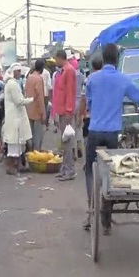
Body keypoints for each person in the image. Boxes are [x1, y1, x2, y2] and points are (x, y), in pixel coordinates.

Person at [84, 43, 139, 234]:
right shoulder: (123, 79)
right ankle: (106, 218)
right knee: (110, 173)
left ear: (103, 59)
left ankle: (91, 210)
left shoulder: (92, 79)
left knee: (90, 171)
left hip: (95, 131)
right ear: (117, 60)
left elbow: (88, 102)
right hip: (112, 133)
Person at [2, 63, 33, 175]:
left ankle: (19, 165)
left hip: (16, 117)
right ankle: (10, 166)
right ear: (13, 72)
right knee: (14, 144)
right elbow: (19, 101)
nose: (20, 73)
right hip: (14, 118)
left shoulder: (12, 83)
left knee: (19, 143)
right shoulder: (12, 84)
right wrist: (31, 99)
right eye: (18, 71)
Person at [53, 50, 77, 181]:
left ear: (60, 58)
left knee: (67, 143)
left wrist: (69, 111)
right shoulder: (61, 72)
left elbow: (70, 93)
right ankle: (64, 169)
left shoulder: (69, 71)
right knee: (63, 143)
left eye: (56, 59)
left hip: (66, 112)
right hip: (60, 111)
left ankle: (70, 171)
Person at [25, 59, 46, 151]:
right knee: (37, 136)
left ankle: (29, 153)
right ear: (42, 68)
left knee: (30, 135)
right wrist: (43, 113)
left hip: (28, 109)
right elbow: (40, 98)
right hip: (37, 111)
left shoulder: (29, 77)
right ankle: (35, 155)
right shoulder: (39, 79)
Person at [73, 60, 86, 160]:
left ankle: (73, 150)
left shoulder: (67, 74)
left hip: (70, 103)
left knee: (71, 128)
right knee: (79, 126)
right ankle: (79, 145)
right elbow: (84, 89)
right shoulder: (81, 76)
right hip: (79, 101)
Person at [41, 63, 52, 127]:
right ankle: (45, 122)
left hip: (39, 93)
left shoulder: (36, 72)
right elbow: (49, 85)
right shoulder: (47, 72)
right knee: (45, 109)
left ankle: (41, 121)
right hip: (45, 93)